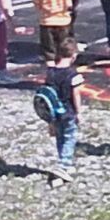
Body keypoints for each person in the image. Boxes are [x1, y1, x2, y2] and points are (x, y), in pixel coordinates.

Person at [44, 37, 84, 180]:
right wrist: (78, 112)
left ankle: (64, 161)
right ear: (74, 56)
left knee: (60, 137)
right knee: (69, 137)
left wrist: (48, 119)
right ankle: (63, 165)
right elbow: (76, 95)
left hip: (53, 112)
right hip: (68, 111)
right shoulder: (73, 75)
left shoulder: (50, 73)